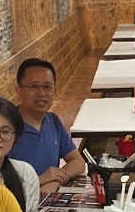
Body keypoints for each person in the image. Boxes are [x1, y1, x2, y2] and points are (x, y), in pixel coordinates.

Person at [8, 58, 86, 197]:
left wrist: (55, 180)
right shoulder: (6, 129)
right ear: (18, 91)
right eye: (34, 86)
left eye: (47, 86)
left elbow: (78, 162)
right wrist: (40, 180)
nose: (42, 93)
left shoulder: (53, 121)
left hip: (46, 205)